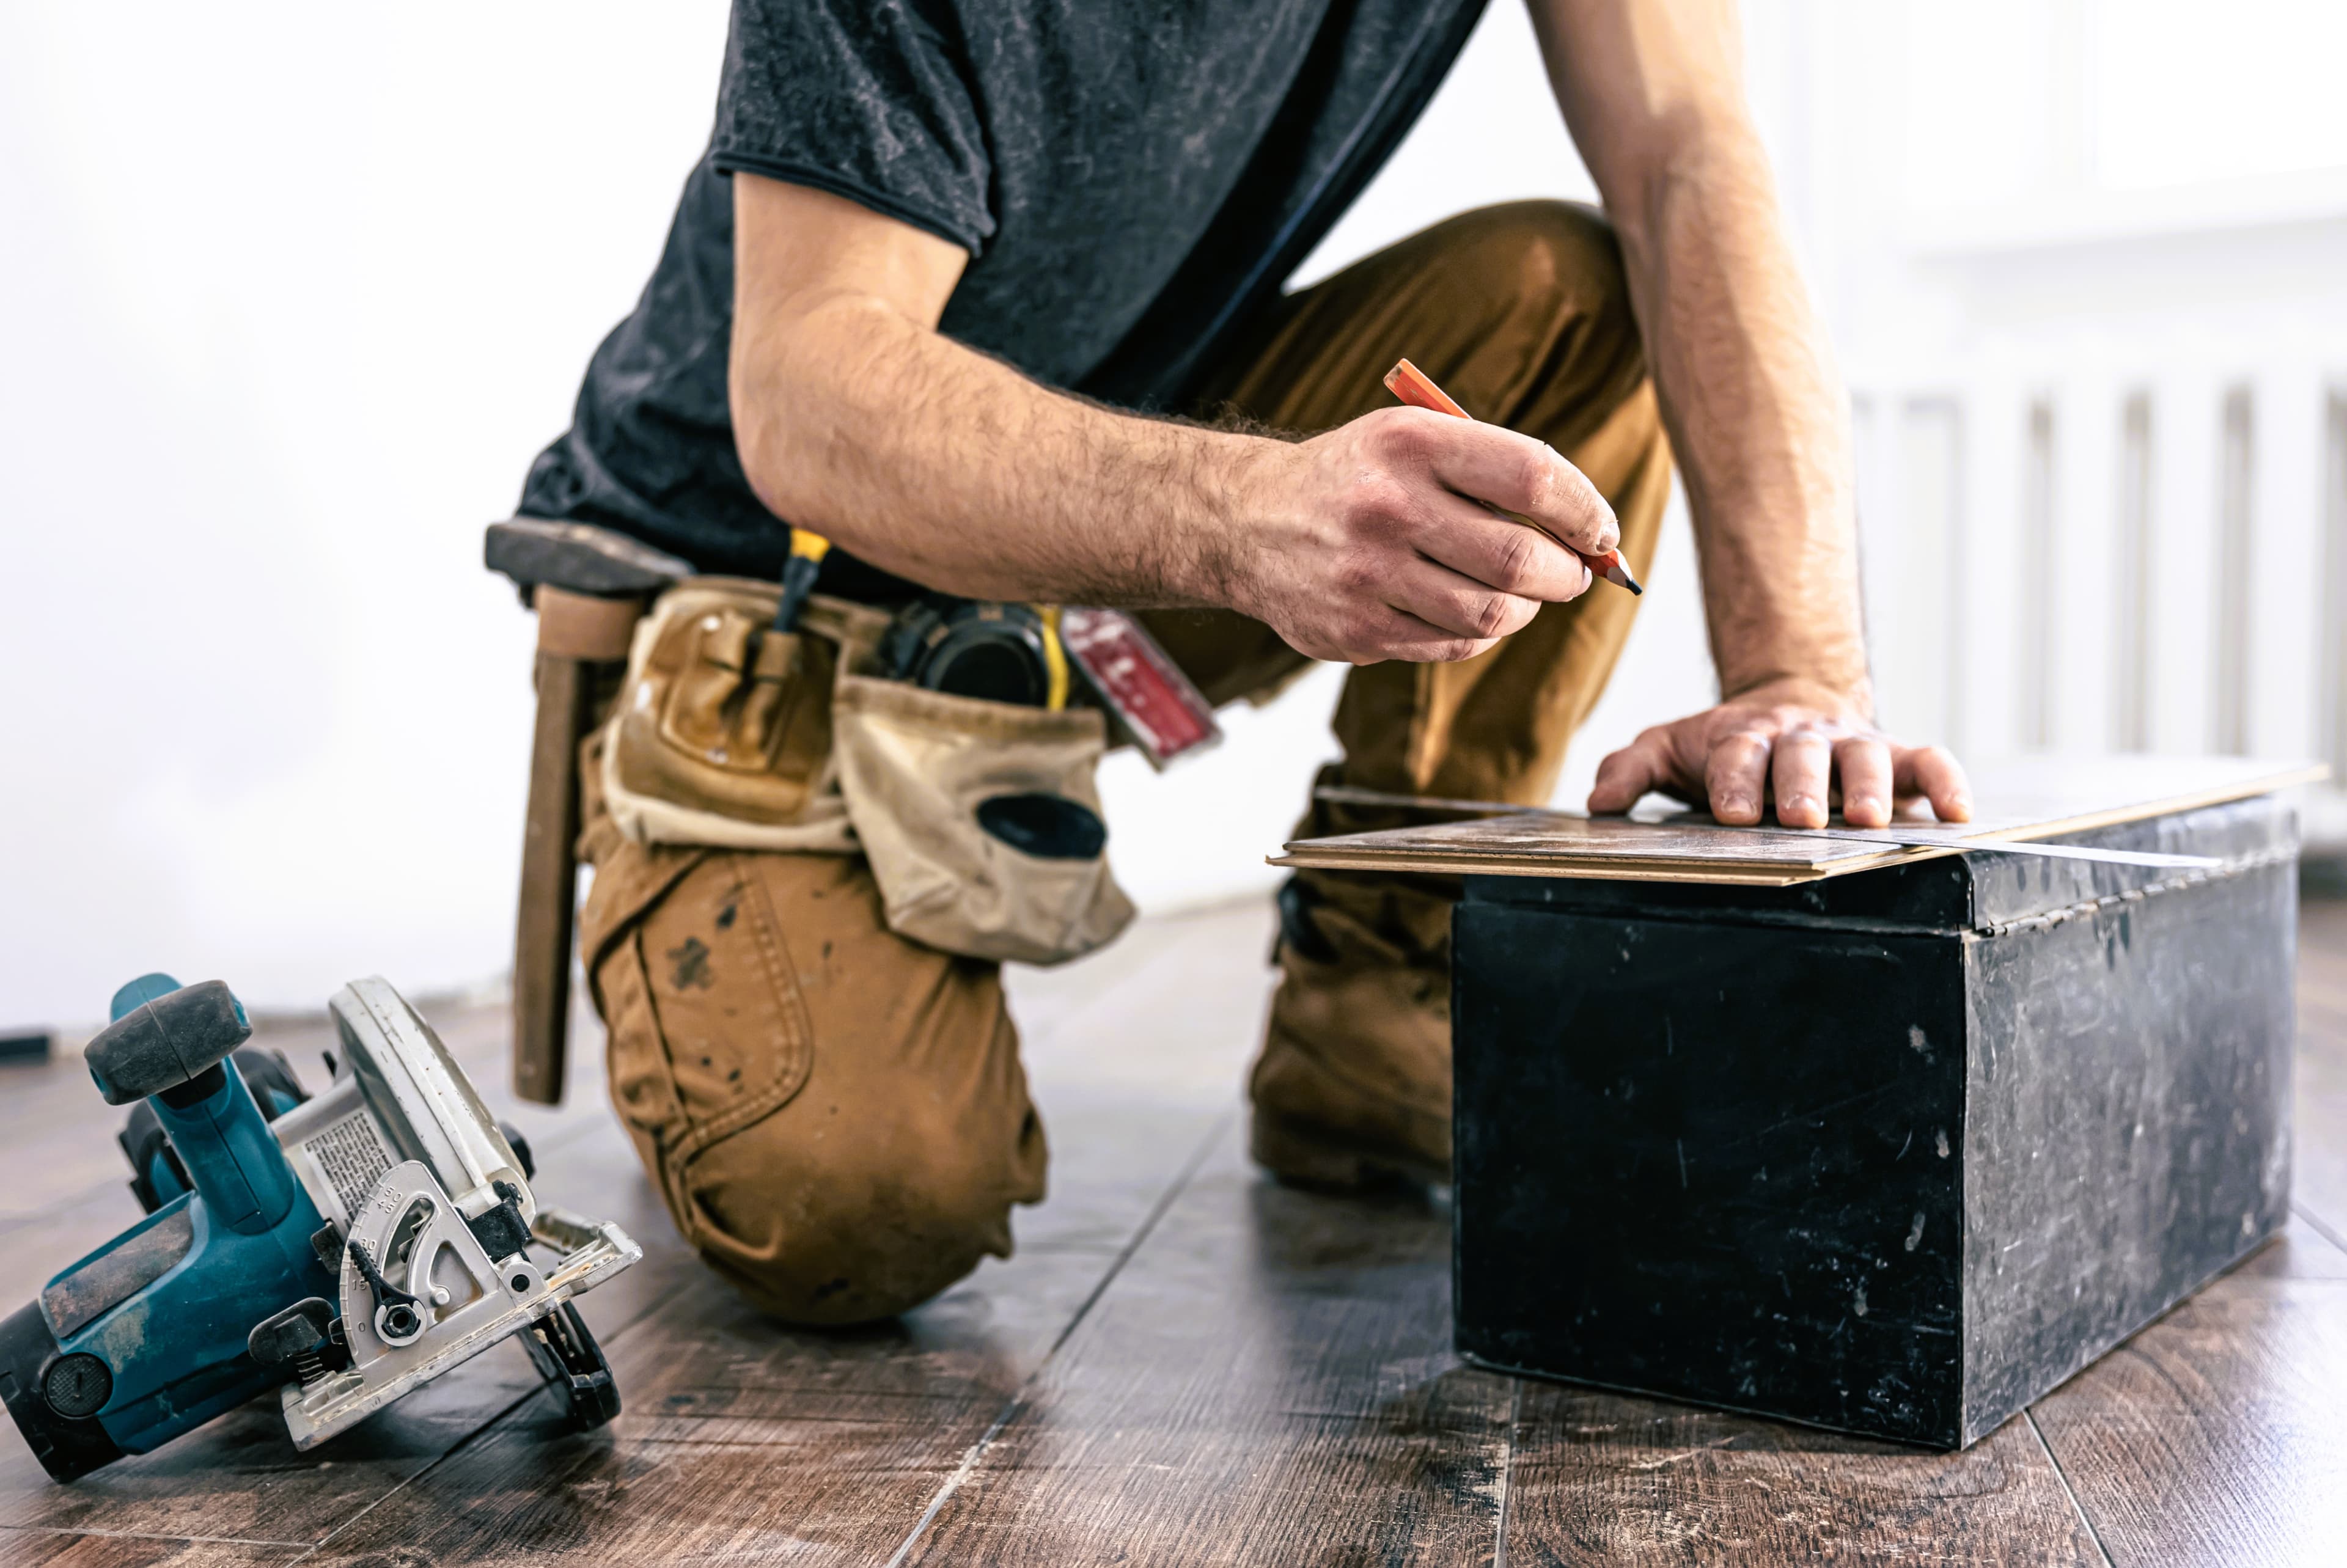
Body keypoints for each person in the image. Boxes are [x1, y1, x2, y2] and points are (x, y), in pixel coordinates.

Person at [520, 0, 1972, 1327]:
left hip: (1081, 540)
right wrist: (1246, 516)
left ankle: (1375, 1001)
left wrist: (1799, 673)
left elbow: (1684, 157)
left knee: (1569, 292)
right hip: (764, 596)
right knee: (870, 1206)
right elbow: (808, 392)